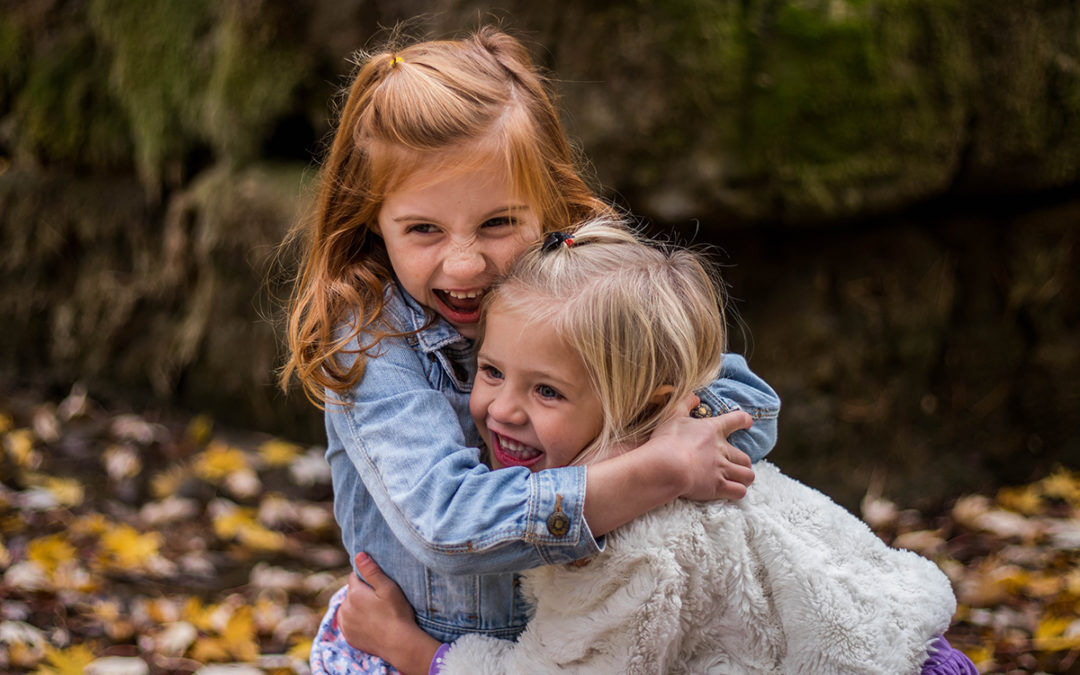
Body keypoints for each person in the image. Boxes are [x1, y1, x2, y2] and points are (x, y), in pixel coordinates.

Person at [280, 27, 781, 674]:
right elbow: (448, 521)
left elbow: (750, 410)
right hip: (418, 653)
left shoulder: (579, 290)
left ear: (547, 207)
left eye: (497, 223)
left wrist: (637, 432)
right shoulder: (372, 340)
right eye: (424, 229)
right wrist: (649, 472)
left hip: (576, 646)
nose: (464, 264)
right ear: (373, 218)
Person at [337, 219, 977, 674]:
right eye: (492, 371)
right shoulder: (686, 448)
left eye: (548, 393)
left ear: (644, 405)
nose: (503, 410)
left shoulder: (637, 544)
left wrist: (413, 651)